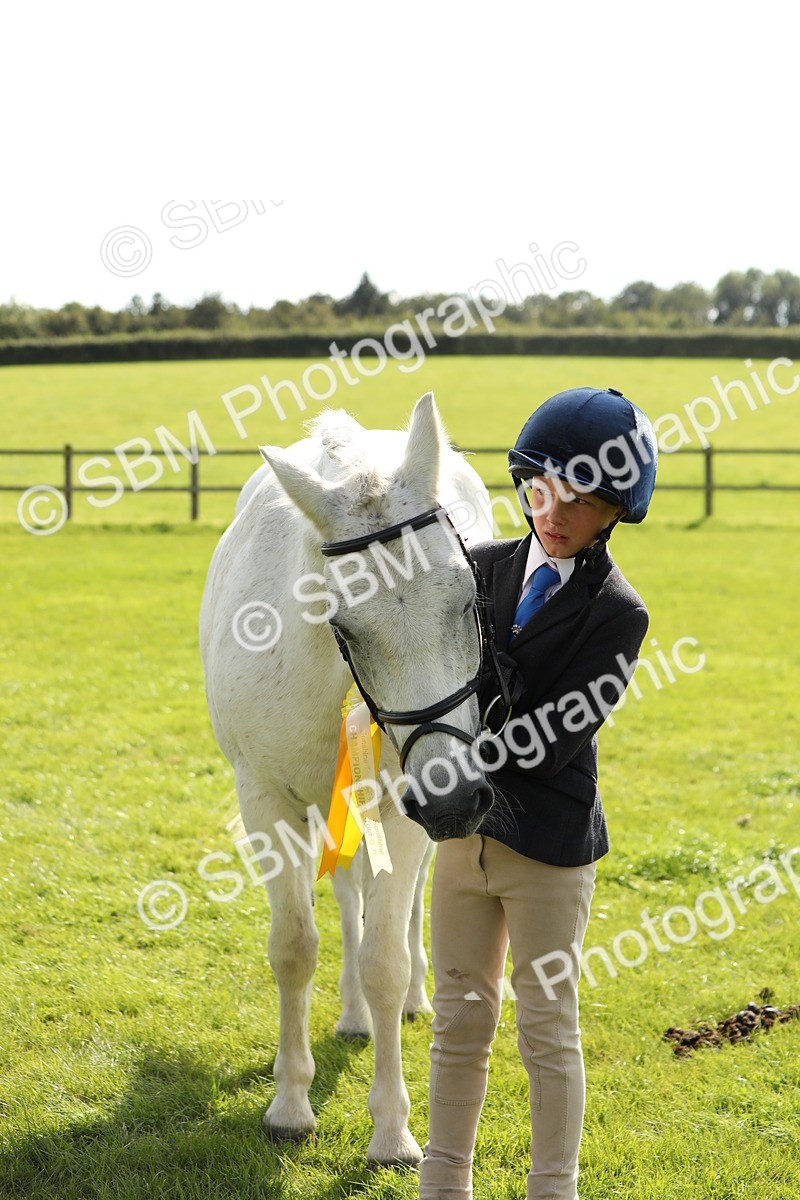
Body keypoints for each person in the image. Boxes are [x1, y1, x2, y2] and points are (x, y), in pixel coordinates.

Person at [418, 386, 658, 1200]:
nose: (553, 513)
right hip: (460, 844)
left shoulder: (620, 615)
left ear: (614, 512)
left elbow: (554, 740)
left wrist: (452, 737)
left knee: (546, 1032)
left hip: (548, 852)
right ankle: (443, 1183)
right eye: (542, 489)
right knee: (457, 1019)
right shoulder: (477, 570)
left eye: (581, 501)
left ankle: (553, 1189)